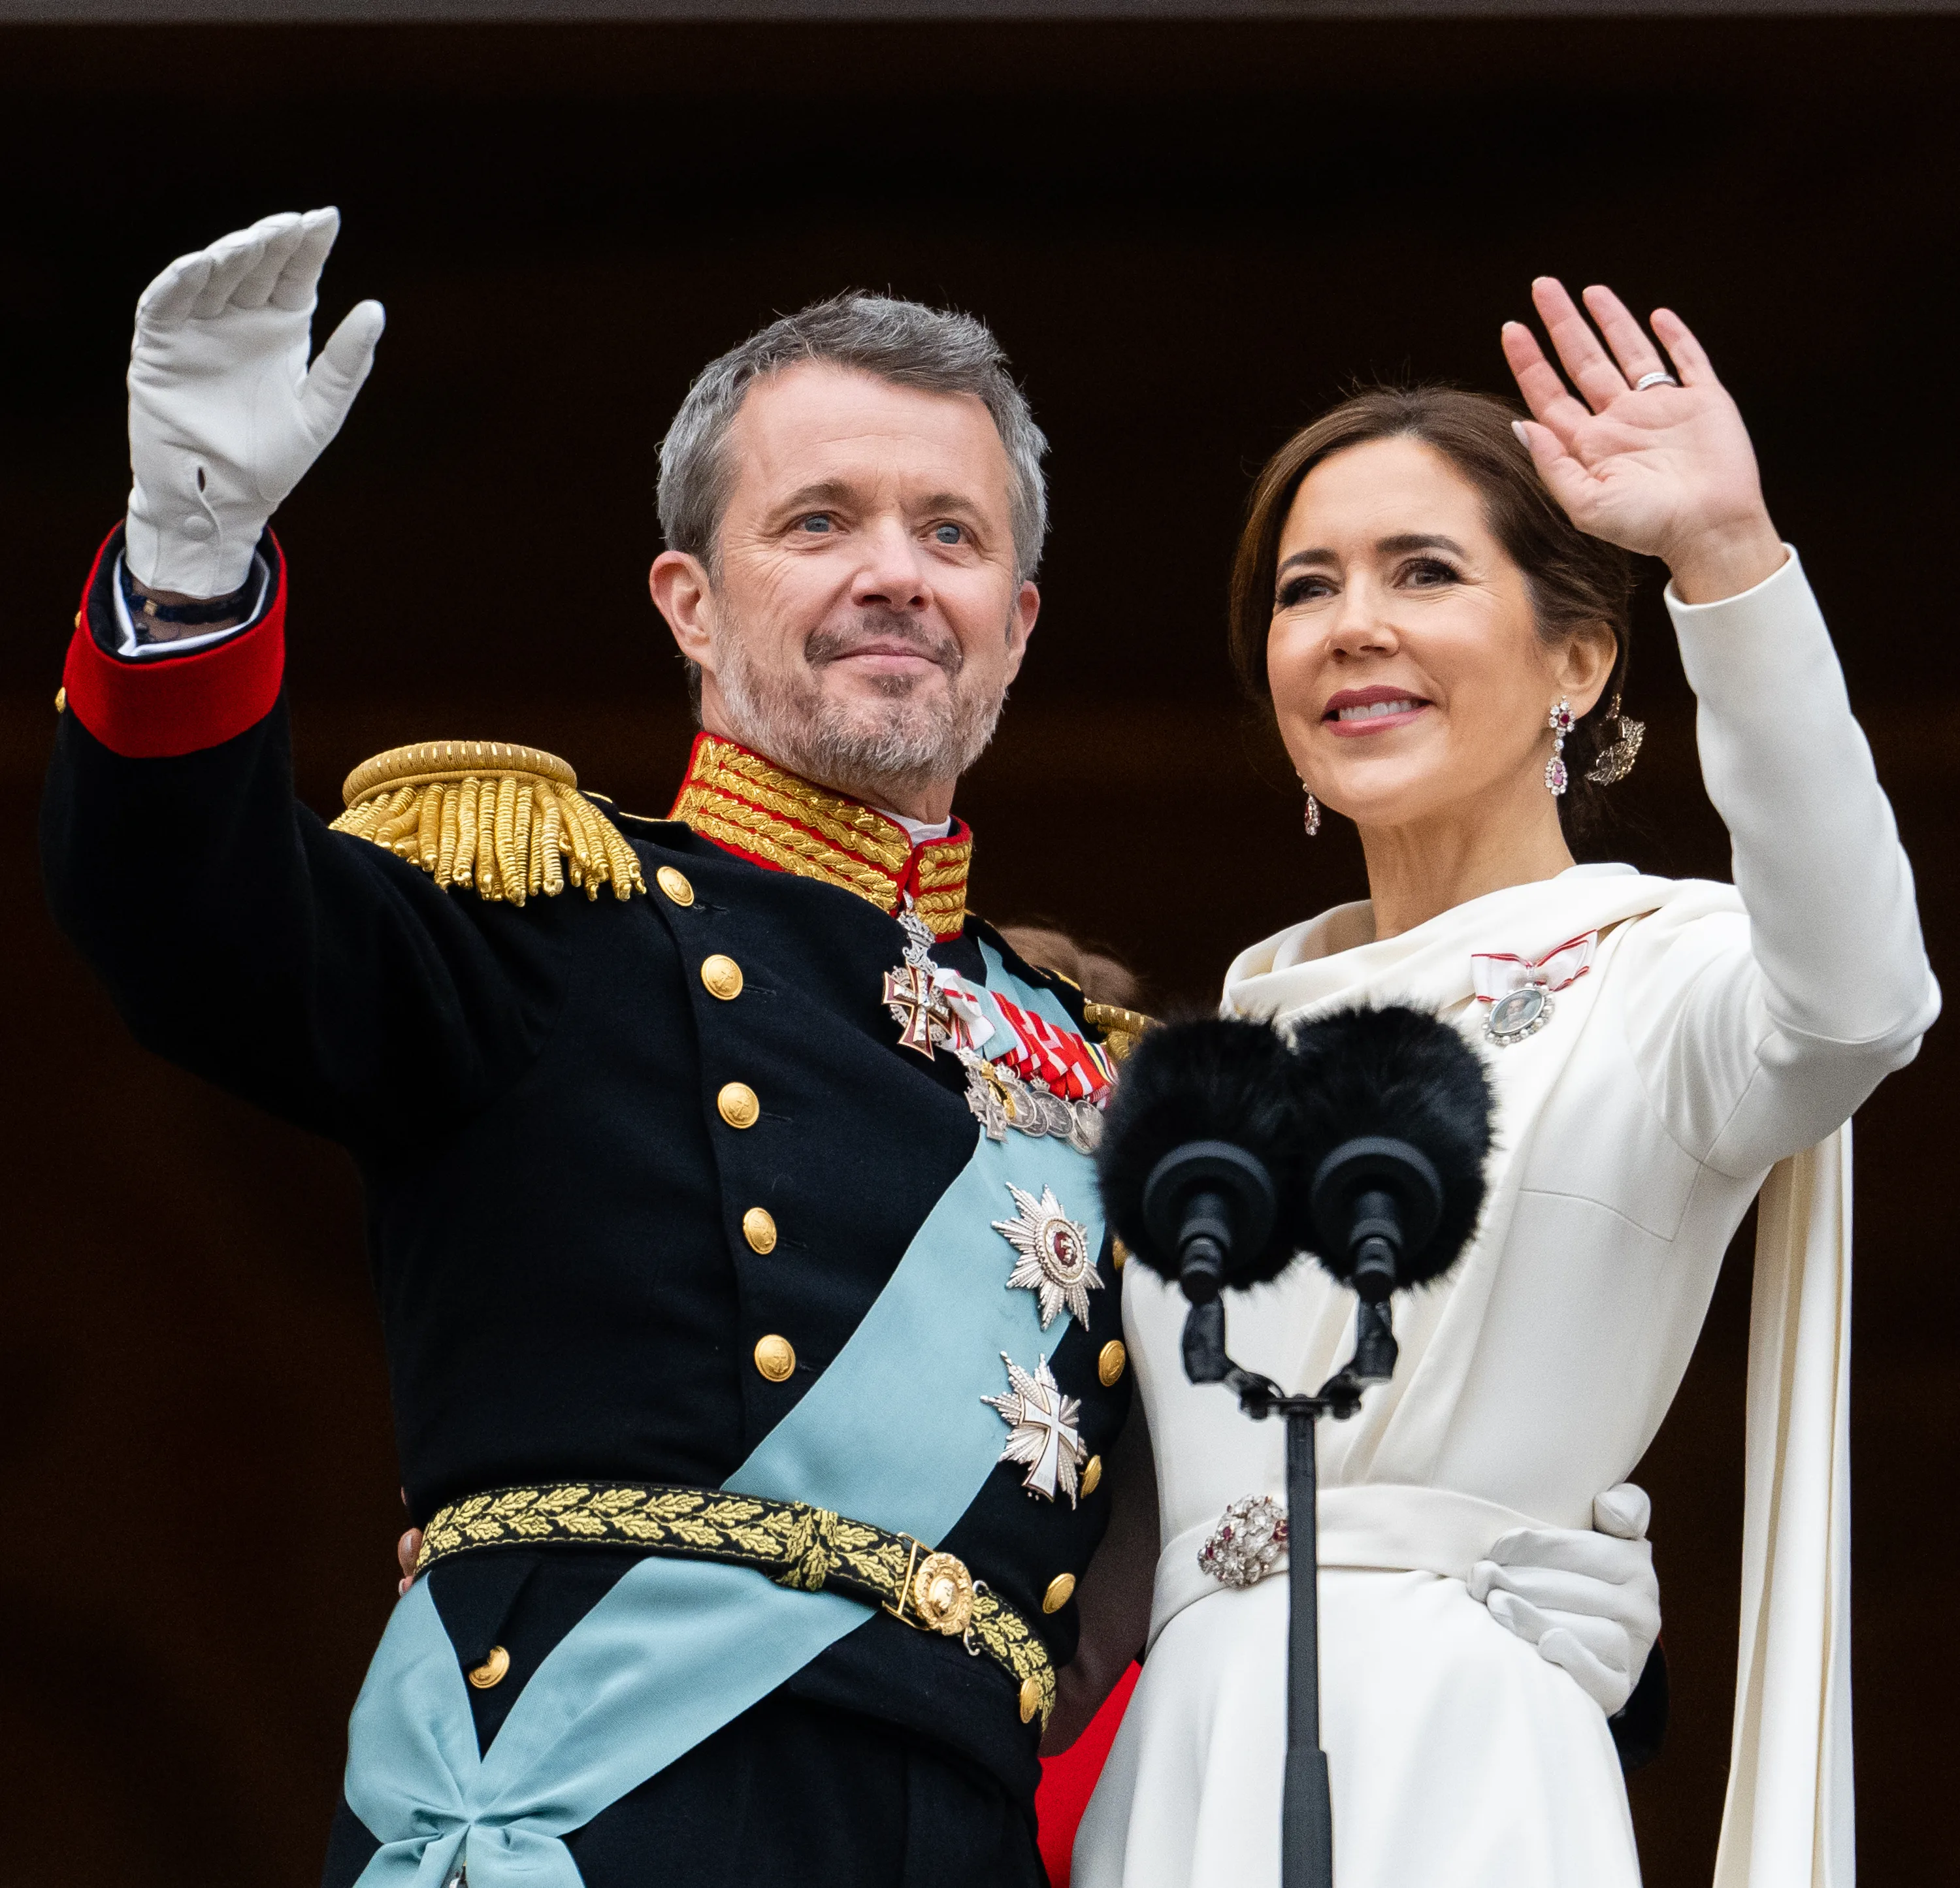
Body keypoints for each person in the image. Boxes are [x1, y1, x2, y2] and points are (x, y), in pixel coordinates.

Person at [39, 212, 1667, 1888]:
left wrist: (1520, 1618)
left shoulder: (1120, 1089)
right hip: (603, 1824)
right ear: (689, 598)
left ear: (1017, 621)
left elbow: (1255, 1491)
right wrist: (188, 560)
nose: (894, 570)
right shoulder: (539, 917)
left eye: (948, 532)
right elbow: (188, 917)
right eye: (819, 521)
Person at [1074, 284, 1938, 1888]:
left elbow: (1862, 1001)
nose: (1352, 625)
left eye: (1426, 572)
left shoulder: (1663, 978)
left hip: (1463, 1757)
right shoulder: (1197, 1065)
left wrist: (1730, 559)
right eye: (1305, 587)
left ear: (1581, 658)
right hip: (1178, 1764)